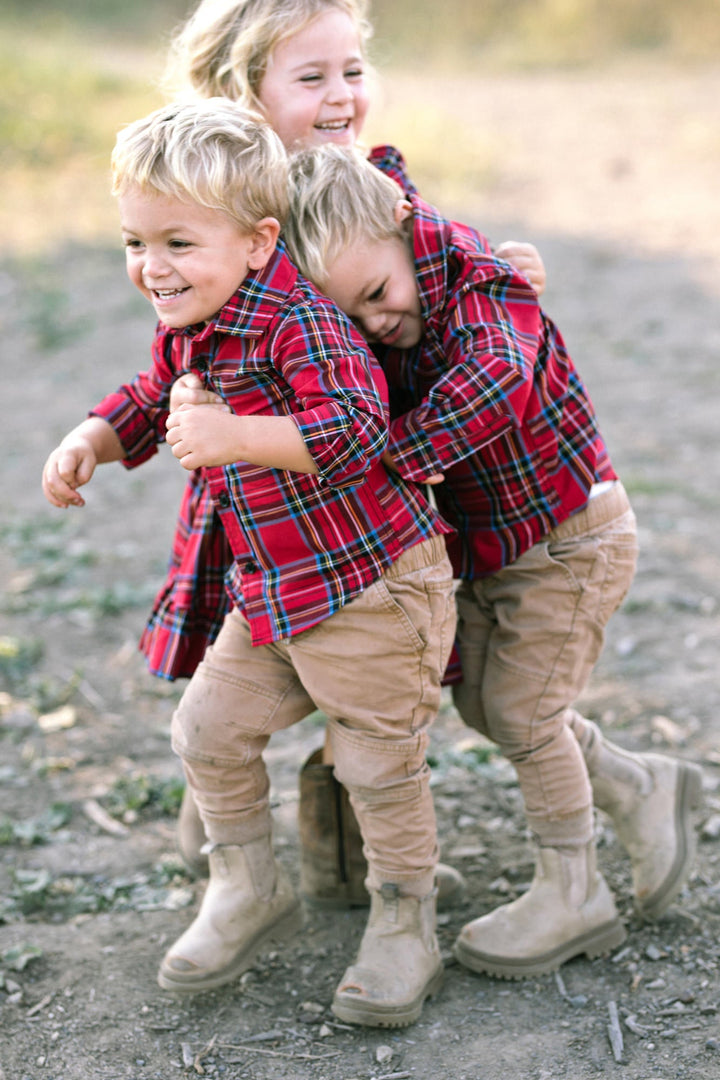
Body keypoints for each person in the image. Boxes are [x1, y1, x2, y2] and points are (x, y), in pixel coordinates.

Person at [41, 99, 458, 1028]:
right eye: (133, 241)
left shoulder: (299, 323)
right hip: (274, 591)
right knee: (206, 731)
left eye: (178, 242)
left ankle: (405, 918)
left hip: (372, 587)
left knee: (376, 764)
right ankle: (245, 885)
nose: (152, 267)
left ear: (260, 241)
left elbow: (357, 430)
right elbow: (155, 394)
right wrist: (95, 436)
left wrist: (235, 432)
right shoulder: (194, 319)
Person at [156, 0, 547, 907]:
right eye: (311, 77)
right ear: (237, 93)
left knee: (363, 670)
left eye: (353, 72)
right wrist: (161, 403)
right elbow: (176, 330)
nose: (342, 97)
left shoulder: (373, 189)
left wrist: (498, 271)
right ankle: (223, 821)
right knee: (250, 653)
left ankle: (351, 857)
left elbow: (429, 283)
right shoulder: (220, 216)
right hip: (261, 489)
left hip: (364, 487)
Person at [281, 142, 705, 978]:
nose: (377, 324)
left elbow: (497, 377)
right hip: (505, 547)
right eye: (353, 317)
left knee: (522, 713)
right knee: (483, 699)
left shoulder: (480, 281)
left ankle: (573, 891)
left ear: (403, 226)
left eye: (379, 296)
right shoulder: (381, 277)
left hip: (571, 536)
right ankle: (637, 786)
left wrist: (392, 453)